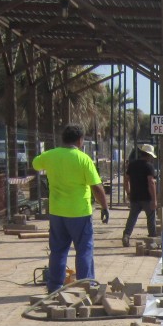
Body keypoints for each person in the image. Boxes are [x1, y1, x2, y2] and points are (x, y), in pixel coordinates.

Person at [31, 124, 108, 292]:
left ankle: (54, 287)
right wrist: (104, 207)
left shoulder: (50, 156)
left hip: (57, 212)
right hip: (79, 212)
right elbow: (97, 186)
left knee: (58, 251)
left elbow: (36, 164)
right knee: (84, 250)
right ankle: (86, 284)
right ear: (80, 140)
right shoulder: (83, 159)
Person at [122, 143, 158, 246]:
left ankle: (126, 235)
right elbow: (151, 183)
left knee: (132, 217)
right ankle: (152, 238)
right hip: (147, 197)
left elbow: (126, 180)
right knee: (151, 218)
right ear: (149, 155)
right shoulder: (149, 166)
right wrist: (154, 199)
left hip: (135, 196)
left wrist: (128, 192)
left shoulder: (132, 165)